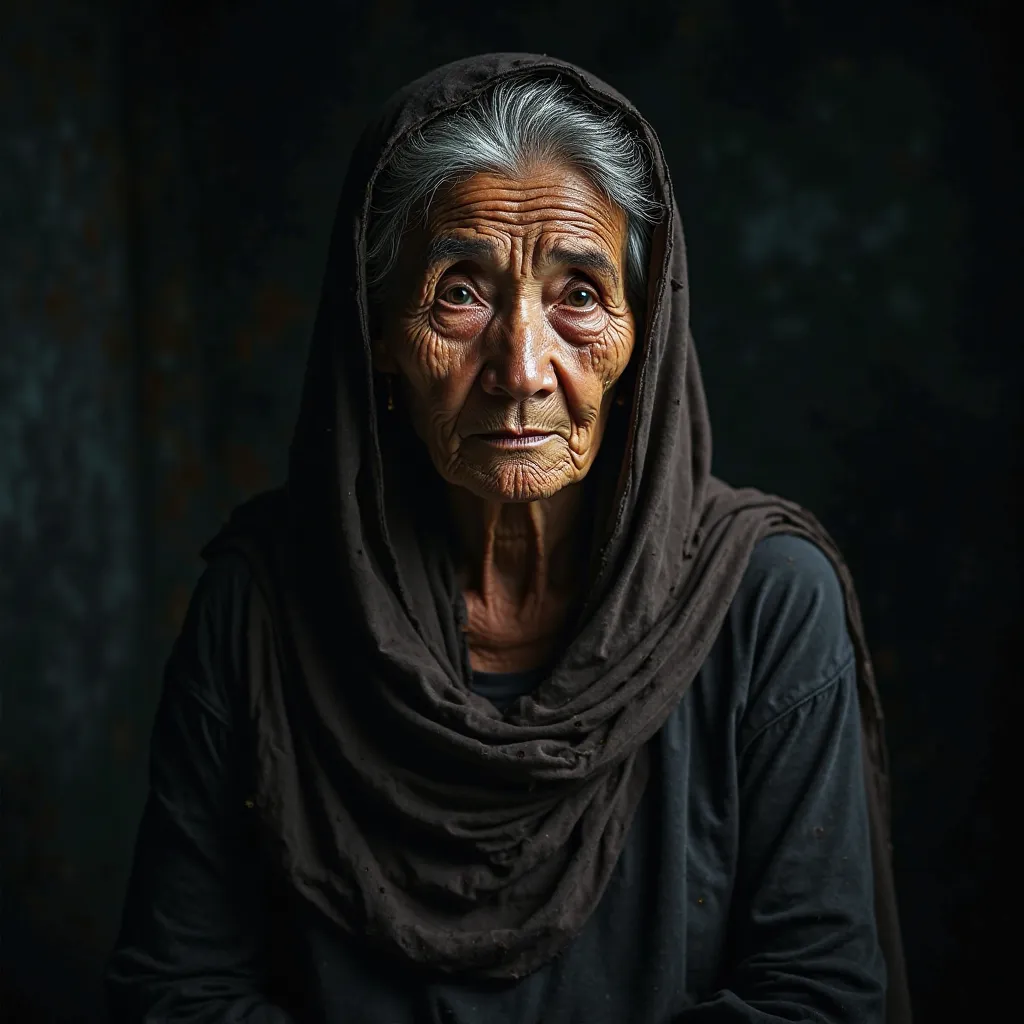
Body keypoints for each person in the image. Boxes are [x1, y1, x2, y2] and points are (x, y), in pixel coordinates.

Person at [106, 54, 911, 1023]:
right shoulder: (263, 605)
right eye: (460, 291)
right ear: (379, 335)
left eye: (578, 294)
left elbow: (816, 1000)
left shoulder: (765, 602)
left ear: (642, 333)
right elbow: (176, 994)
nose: (522, 367)